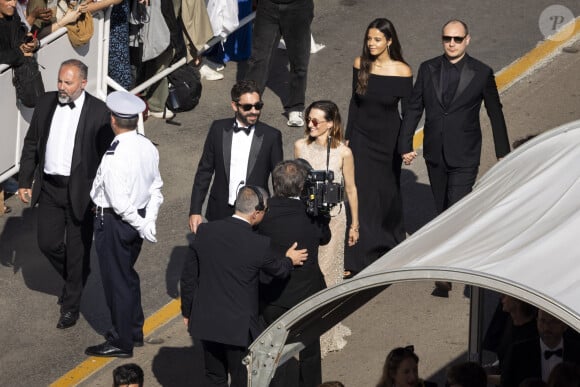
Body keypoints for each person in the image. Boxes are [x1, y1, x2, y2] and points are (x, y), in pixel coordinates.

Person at [398, 19, 510, 298]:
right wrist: (405, 142)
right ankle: (456, 263)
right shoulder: (427, 68)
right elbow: (414, 108)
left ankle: (451, 273)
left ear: (467, 40)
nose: (451, 43)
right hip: (435, 152)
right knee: (443, 210)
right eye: (447, 38)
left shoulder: (482, 72)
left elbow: (495, 112)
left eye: (457, 39)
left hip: (465, 153)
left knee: (456, 209)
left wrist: (504, 153)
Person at [18, 59, 113, 329]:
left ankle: (71, 305)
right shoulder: (46, 102)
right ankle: (77, 275)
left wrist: (102, 197)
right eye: (60, 81)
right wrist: (25, 179)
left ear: (83, 83)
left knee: (77, 249)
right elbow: (32, 142)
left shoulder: (99, 111)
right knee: (47, 243)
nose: (62, 87)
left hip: (81, 192)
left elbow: (106, 159)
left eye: (68, 83)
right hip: (49, 187)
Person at [180, 185, 308, 386]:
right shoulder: (258, 244)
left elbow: (188, 278)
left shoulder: (205, 231)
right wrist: (290, 259)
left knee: (214, 377)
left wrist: (187, 312)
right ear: (256, 213)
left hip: (206, 320)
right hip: (238, 328)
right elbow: (279, 270)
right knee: (241, 377)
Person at [85, 91, 163, 358]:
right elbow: (156, 188)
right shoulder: (147, 146)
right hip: (135, 219)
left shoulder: (114, 155)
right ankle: (133, 330)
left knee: (116, 281)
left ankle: (122, 341)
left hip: (116, 222)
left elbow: (119, 204)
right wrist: (147, 220)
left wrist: (141, 224)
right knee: (127, 276)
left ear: (114, 121)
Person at [344, 18, 412, 277]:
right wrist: (348, 136)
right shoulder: (360, 64)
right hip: (361, 136)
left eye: (377, 40)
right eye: (369, 39)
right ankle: (356, 255)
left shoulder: (403, 71)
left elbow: (409, 112)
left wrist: (404, 145)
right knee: (359, 191)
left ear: (389, 41)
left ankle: (389, 241)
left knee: (385, 192)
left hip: (388, 139)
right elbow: (354, 102)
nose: (371, 44)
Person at [257, 159, 331, 387]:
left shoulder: (263, 216)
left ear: (275, 185)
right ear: (301, 187)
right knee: (310, 350)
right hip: (308, 294)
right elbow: (325, 238)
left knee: (271, 351)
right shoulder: (311, 215)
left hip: (273, 296)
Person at [294, 100, 357, 356]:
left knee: (329, 274)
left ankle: (325, 333)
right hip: (308, 219)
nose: (309, 124)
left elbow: (351, 189)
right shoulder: (300, 146)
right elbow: (296, 185)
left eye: (315, 121)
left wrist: (356, 224)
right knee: (308, 273)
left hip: (334, 219)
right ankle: (307, 328)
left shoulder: (344, 152)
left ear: (331, 124)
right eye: (308, 119)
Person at [188, 79, 283, 233]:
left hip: (255, 214)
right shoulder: (218, 129)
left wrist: (277, 216)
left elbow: (278, 180)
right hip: (220, 210)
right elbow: (204, 171)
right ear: (234, 106)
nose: (254, 111)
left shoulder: (271, 136)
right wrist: (195, 210)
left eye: (258, 106)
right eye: (247, 107)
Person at [244, 0, 313, 127]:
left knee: (299, 62)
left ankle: (295, 107)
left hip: (299, 7)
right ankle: (250, 105)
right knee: (258, 60)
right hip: (267, 6)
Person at [501, 310, 580, 387]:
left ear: (565, 325)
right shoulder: (519, 352)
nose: (546, 327)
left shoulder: (577, 351)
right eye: (542, 321)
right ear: (537, 322)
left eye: (553, 322)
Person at [0, 0, 40, 66]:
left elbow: (19, 35)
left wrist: (33, 43)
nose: (13, 4)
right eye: (8, 0)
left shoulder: (12, 13)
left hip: (28, 71)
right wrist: (19, 53)